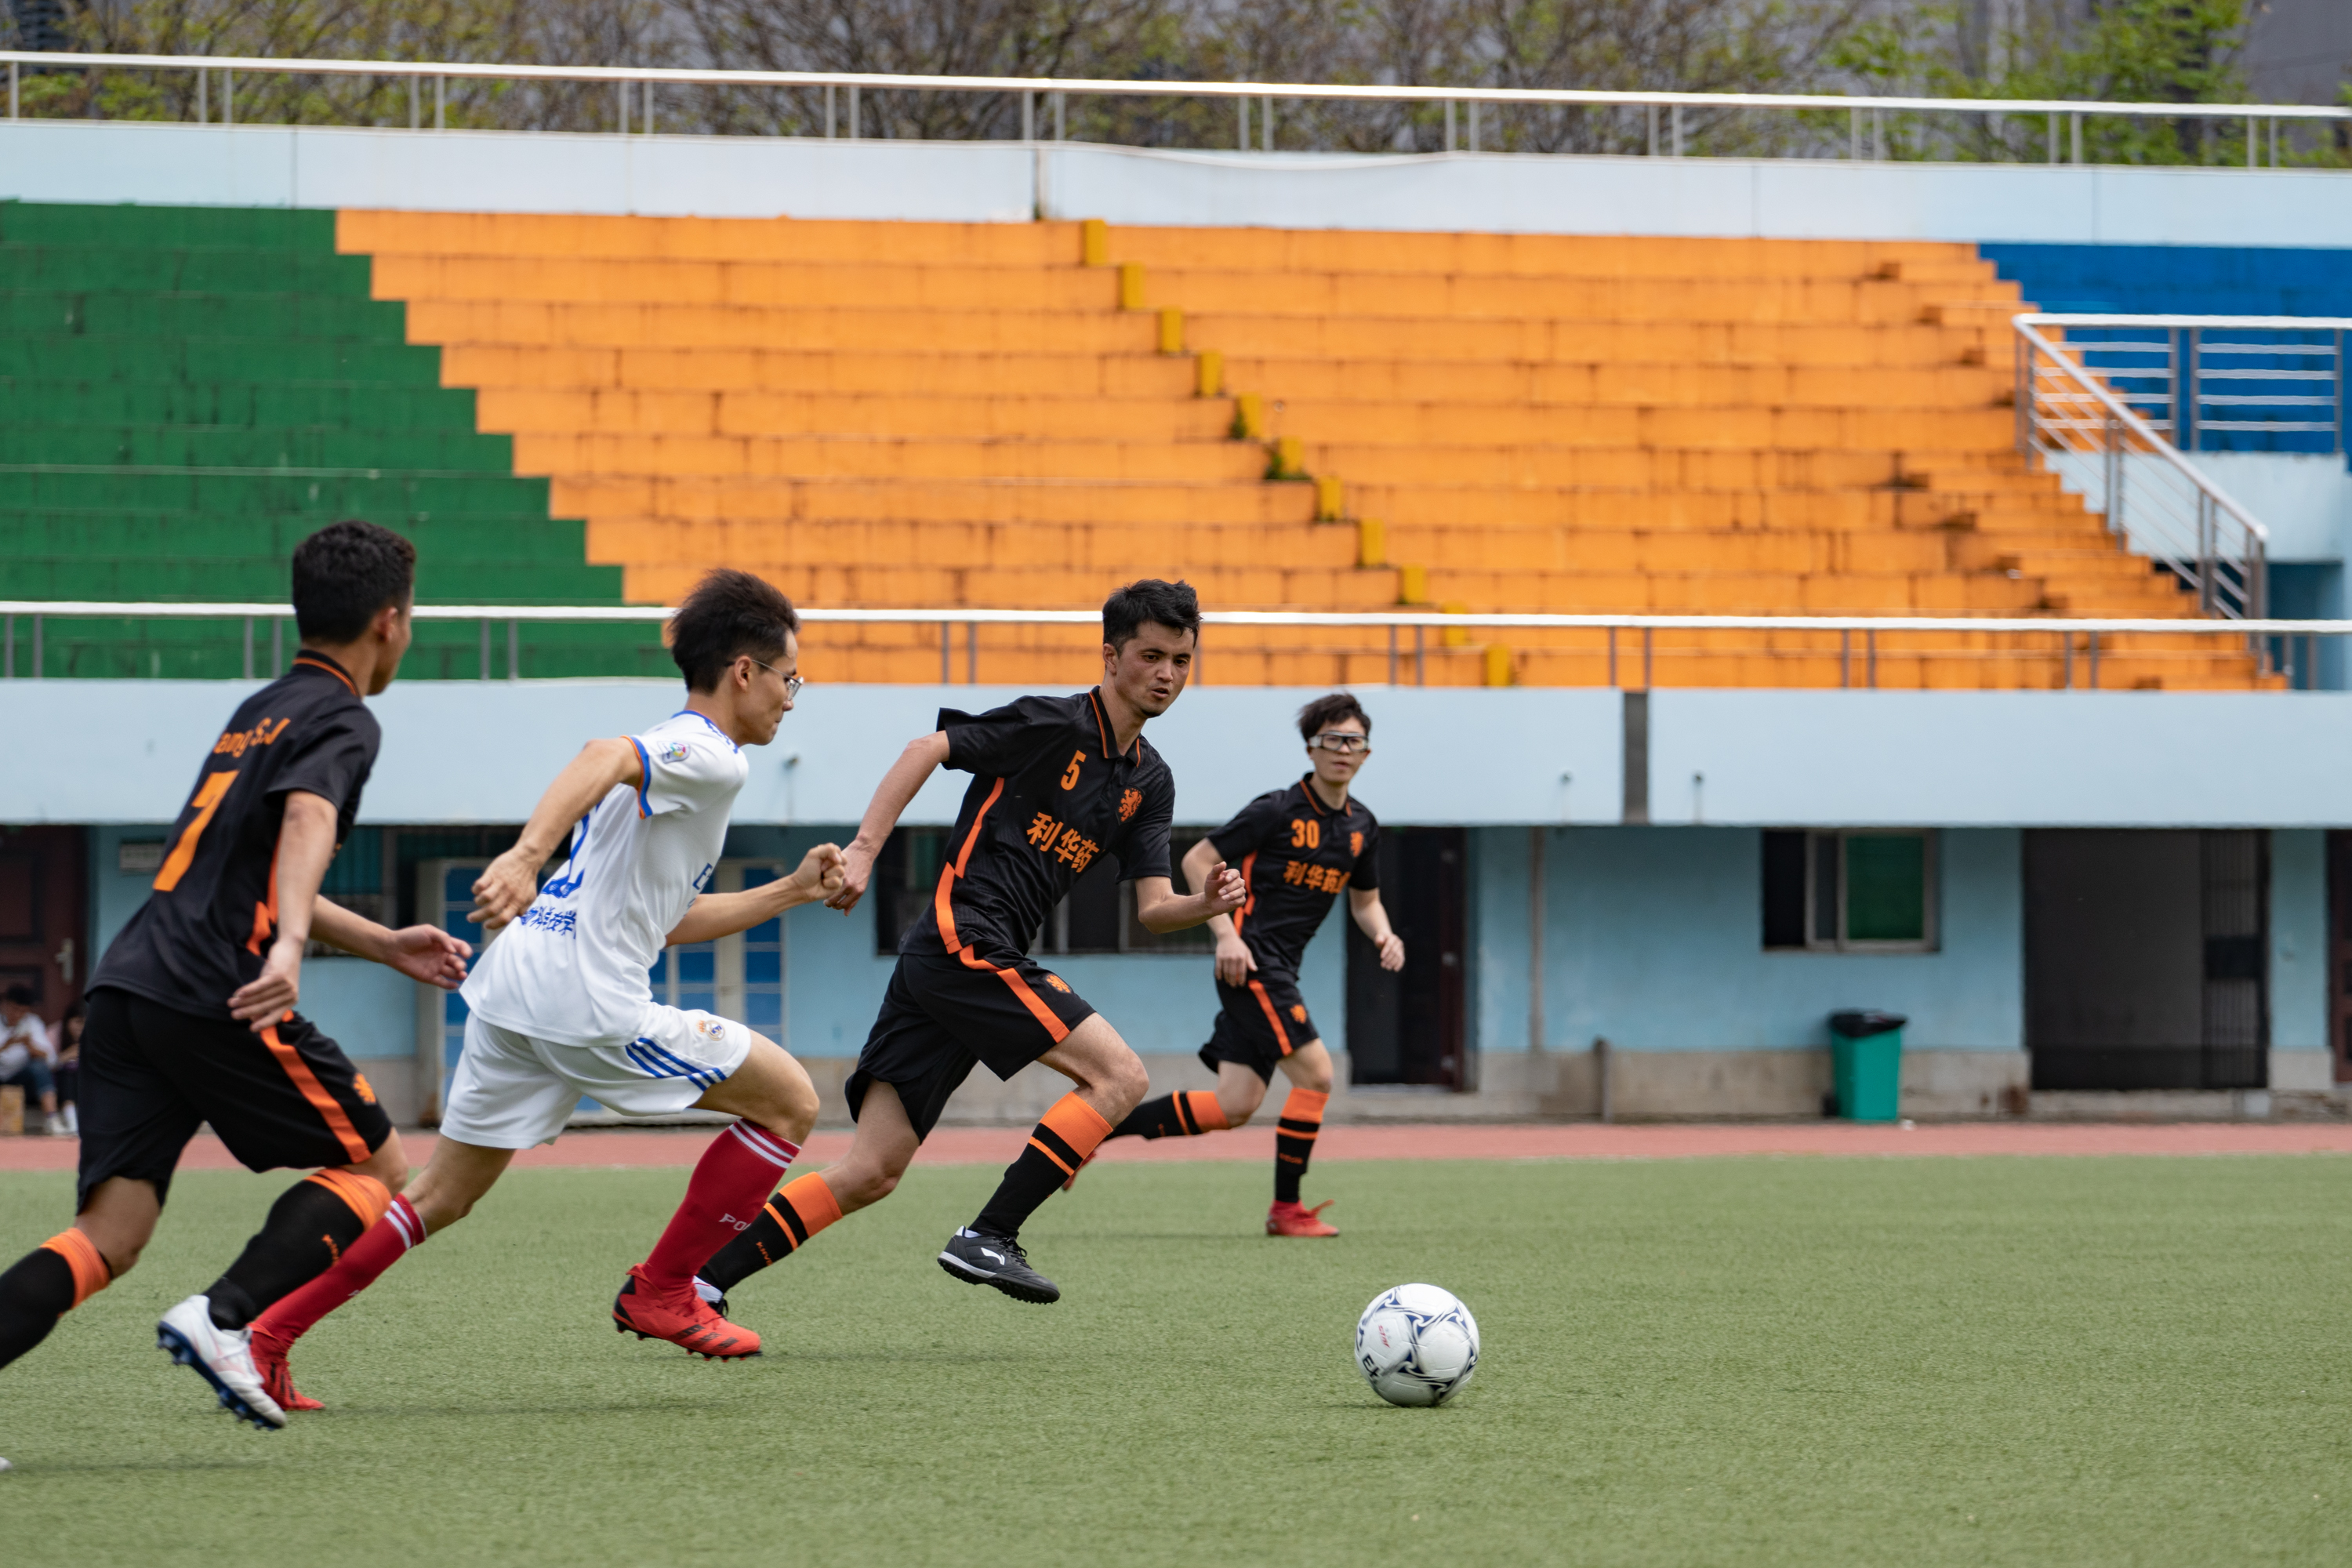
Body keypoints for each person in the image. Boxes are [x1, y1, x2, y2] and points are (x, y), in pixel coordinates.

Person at [250, 568, 843, 1411]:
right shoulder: (710, 756)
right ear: (744, 671)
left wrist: (789, 889)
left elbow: (663, 919)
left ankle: (269, 1335)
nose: (793, 697)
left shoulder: (678, 755)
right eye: (791, 677)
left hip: (515, 985)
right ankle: (665, 1289)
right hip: (583, 1000)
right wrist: (528, 854)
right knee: (790, 1100)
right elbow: (599, 755)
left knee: (439, 1194)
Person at [0, 521, 473, 1432]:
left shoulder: (259, 706)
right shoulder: (344, 716)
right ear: (389, 620)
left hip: (128, 986)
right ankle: (224, 1319)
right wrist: (289, 947)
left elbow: (238, 867)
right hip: (217, 987)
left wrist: (378, 941)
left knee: (111, 1236)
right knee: (375, 1163)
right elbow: (304, 822)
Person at [691, 579, 1245, 1311]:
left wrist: (1202, 905)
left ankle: (699, 1281)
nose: (1167, 674)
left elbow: (1152, 909)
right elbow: (927, 747)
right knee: (1121, 1078)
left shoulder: (1151, 783)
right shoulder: (1051, 724)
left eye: (1181, 659)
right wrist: (863, 850)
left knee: (872, 1171)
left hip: (950, 962)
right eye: (1151, 655)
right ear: (1111, 657)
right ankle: (991, 1234)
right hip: (965, 937)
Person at [1093, 692, 1403, 1236]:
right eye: (1331, 739)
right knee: (1319, 1075)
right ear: (1312, 748)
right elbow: (1197, 858)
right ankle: (1287, 1211)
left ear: (1366, 754)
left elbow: (1365, 901)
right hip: (1253, 964)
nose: (1342, 749)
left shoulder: (1363, 827)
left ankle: (1097, 1133)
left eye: (1352, 740)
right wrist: (1225, 936)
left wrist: (1384, 934)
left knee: (1236, 1104)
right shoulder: (1277, 809)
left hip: (1281, 968)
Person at [0, 985, 64, 1136]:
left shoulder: (32, 1023)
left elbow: (51, 1060)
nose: (17, 1014)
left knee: (39, 1066)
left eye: (23, 1011)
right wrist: (7, 1045)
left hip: (20, 1082)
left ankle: (52, 1119)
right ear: (4, 1004)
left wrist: (30, 1046)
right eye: (14, 1009)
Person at [52, 1002, 82, 1138]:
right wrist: (65, 1056)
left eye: (85, 1022)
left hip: (84, 1086)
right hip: (58, 1085)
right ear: (67, 1021)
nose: (81, 1027)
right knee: (68, 1072)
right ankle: (71, 1119)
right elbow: (46, 1064)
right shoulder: (55, 1033)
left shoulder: (95, 1034)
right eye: (78, 1022)